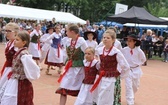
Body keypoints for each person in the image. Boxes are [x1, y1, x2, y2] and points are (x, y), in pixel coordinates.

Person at [0, 30, 40, 105]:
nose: (15, 41)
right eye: (15, 39)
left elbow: (33, 69)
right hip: (14, 80)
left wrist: (26, 76)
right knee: (8, 98)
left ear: (24, 42)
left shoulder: (24, 55)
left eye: (17, 40)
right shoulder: (19, 51)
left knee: (15, 99)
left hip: (20, 82)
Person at [90, 30, 130, 105]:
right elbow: (97, 62)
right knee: (98, 96)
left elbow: (125, 66)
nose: (105, 39)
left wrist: (119, 76)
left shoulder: (116, 52)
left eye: (108, 38)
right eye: (104, 37)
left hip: (110, 79)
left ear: (113, 40)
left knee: (107, 99)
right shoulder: (99, 50)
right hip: (100, 77)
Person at [56, 23, 88, 105]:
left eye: (67, 31)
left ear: (72, 32)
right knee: (63, 87)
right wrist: (64, 64)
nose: (66, 33)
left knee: (80, 89)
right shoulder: (67, 41)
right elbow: (67, 55)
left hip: (79, 69)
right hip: (70, 68)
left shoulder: (81, 41)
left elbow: (87, 53)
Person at [121, 34, 146, 105]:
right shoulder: (124, 50)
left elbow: (143, 59)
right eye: (127, 41)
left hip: (136, 70)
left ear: (134, 42)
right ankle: (130, 102)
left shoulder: (139, 51)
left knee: (135, 87)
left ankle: (132, 96)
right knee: (128, 86)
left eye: (130, 41)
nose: (128, 42)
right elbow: (120, 57)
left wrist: (138, 64)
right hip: (128, 70)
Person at [0, 23, 19, 94]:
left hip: (13, 68)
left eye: (9, 31)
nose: (6, 33)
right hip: (7, 67)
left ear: (16, 32)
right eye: (5, 31)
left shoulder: (16, 44)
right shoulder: (8, 43)